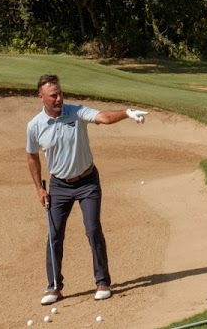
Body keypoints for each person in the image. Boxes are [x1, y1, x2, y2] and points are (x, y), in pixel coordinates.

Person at [26, 74, 148, 305]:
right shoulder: (35, 126)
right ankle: (54, 287)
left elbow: (102, 117)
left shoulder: (76, 112)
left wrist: (127, 113)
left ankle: (103, 282)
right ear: (41, 97)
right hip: (59, 185)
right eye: (53, 95)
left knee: (93, 230)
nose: (59, 98)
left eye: (61, 93)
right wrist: (39, 189)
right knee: (54, 235)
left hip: (87, 182)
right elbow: (32, 157)